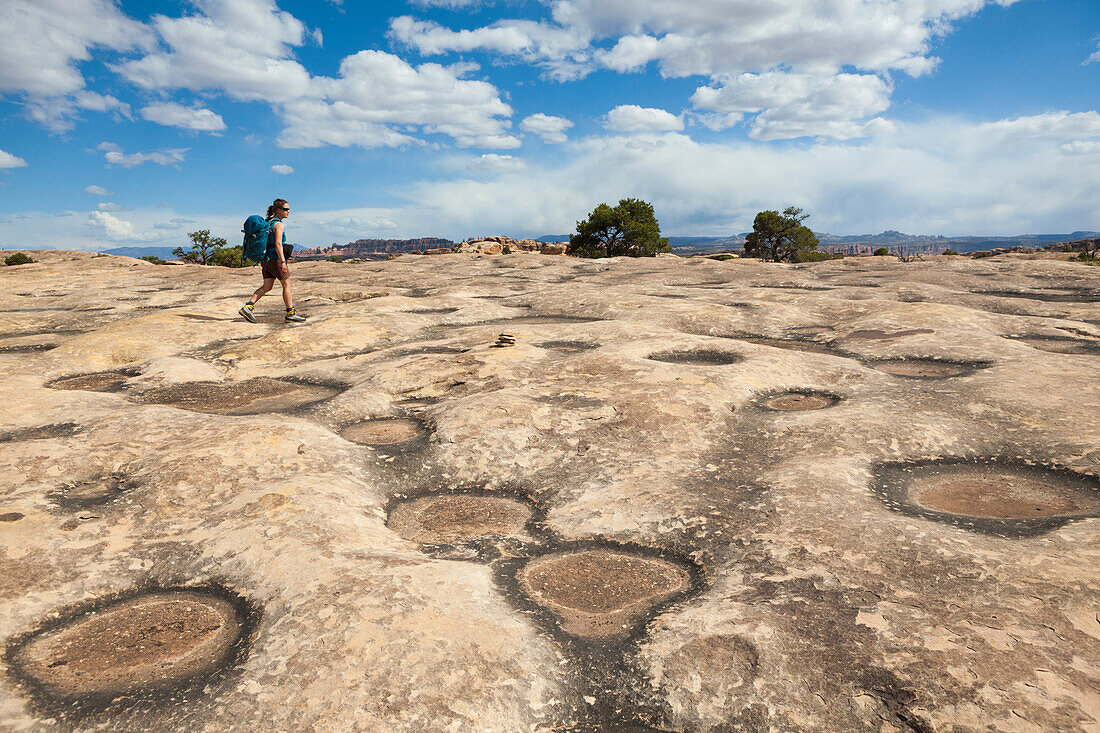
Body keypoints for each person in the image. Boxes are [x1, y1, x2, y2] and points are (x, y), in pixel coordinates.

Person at [239, 198, 307, 323]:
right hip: (275, 258)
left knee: (267, 286)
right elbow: (278, 244)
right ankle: (290, 313)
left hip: (265, 259)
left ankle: (248, 307)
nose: (288, 211)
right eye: (285, 209)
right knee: (287, 284)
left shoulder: (268, 222)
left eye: (288, 209)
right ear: (278, 210)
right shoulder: (279, 224)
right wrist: (282, 261)